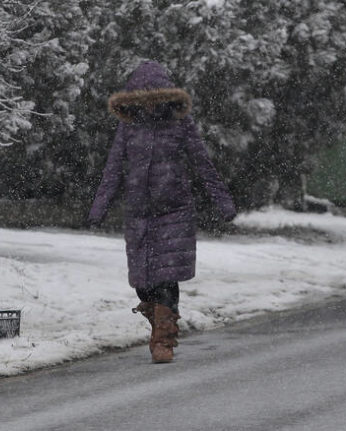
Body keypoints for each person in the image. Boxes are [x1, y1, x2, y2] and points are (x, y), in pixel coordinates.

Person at [87, 60, 236, 363]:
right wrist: (99, 207)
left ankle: (163, 340)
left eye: (156, 99)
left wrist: (223, 202)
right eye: (144, 100)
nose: (151, 106)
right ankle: (160, 321)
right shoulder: (128, 127)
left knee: (167, 278)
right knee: (143, 284)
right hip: (138, 213)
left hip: (175, 210)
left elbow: (202, 163)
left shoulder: (180, 123)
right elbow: (113, 168)